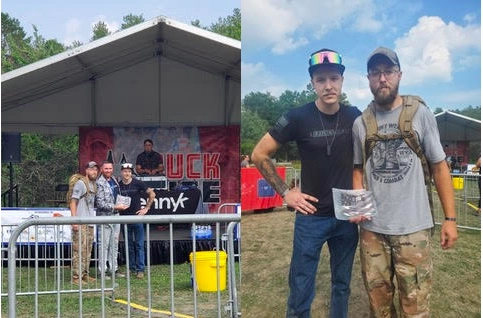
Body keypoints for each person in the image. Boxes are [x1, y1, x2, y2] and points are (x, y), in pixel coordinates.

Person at [251, 48, 361, 318]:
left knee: (342, 284)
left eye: (333, 78)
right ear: (312, 83)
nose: (328, 85)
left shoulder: (355, 116)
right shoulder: (297, 116)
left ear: (342, 80)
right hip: (311, 215)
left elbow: (368, 156)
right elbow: (259, 154)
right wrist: (285, 193)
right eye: (321, 80)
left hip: (347, 214)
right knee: (301, 285)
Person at [351, 47, 458, 317]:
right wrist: (357, 206)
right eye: (376, 73)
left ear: (399, 74)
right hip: (373, 230)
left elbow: (439, 167)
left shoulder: (420, 114)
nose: (382, 78)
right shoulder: (360, 124)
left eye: (388, 72)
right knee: (379, 304)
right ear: (368, 78)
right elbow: (357, 169)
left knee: (415, 305)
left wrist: (450, 219)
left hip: (414, 229)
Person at [118, 162, 156, 279]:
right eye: (125, 171)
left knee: (139, 244)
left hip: (137, 217)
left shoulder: (138, 183)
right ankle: (131, 268)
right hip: (124, 218)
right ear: (121, 173)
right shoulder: (118, 185)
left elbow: (152, 194)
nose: (127, 173)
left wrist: (146, 208)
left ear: (131, 173)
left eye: (129, 172)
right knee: (128, 245)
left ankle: (140, 269)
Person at [96, 160, 129, 279]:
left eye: (110, 168)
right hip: (105, 217)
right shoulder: (99, 183)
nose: (108, 171)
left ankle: (113, 269)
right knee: (104, 245)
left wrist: (122, 204)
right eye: (106, 169)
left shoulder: (114, 179)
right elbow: (99, 204)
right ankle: (102, 271)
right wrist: (116, 206)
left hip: (116, 215)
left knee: (114, 244)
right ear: (102, 169)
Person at [70, 161, 99, 285]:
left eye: (96, 170)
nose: (94, 172)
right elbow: (73, 202)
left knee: (88, 249)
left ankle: (85, 274)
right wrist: (74, 220)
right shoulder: (81, 183)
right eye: (92, 169)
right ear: (86, 170)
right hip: (80, 221)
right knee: (79, 249)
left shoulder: (93, 184)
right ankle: (76, 277)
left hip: (90, 221)